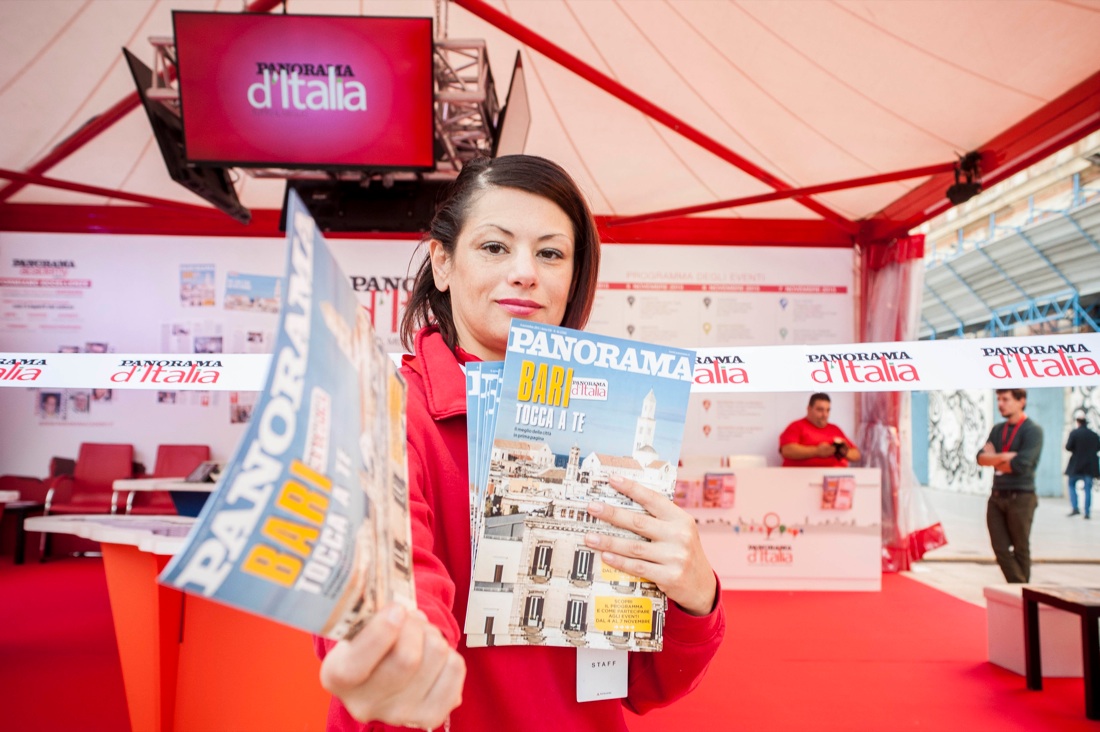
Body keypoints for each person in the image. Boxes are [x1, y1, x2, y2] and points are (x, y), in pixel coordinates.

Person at [315, 155, 725, 731]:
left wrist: (693, 594)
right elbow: (391, 574)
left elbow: (645, 682)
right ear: (442, 262)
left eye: (551, 253)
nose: (525, 272)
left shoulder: (615, 422)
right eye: (494, 247)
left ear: (574, 276)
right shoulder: (380, 408)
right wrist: (396, 644)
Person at [977, 388, 1043, 583]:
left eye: (1006, 399)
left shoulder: (1032, 431)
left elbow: (1021, 465)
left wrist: (993, 459)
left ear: (1021, 401)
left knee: (1020, 547)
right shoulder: (998, 430)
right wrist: (1004, 457)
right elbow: (980, 458)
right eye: (998, 399)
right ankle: (1020, 586)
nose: (1001, 404)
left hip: (1021, 496)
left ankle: (1022, 594)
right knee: (1000, 547)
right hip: (997, 495)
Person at [778, 392, 861, 467]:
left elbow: (856, 455)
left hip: (836, 477)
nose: (825, 414)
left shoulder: (835, 429)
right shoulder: (796, 426)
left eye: (827, 410)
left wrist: (843, 451)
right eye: (820, 410)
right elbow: (787, 450)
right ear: (809, 409)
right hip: (801, 477)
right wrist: (818, 451)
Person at [1065, 413, 1099, 520]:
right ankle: (1087, 512)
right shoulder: (1094, 435)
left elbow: (1068, 447)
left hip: (1076, 465)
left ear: (1078, 422)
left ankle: (1075, 508)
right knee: (1088, 489)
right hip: (1089, 466)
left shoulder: (1074, 433)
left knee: (1071, 484)